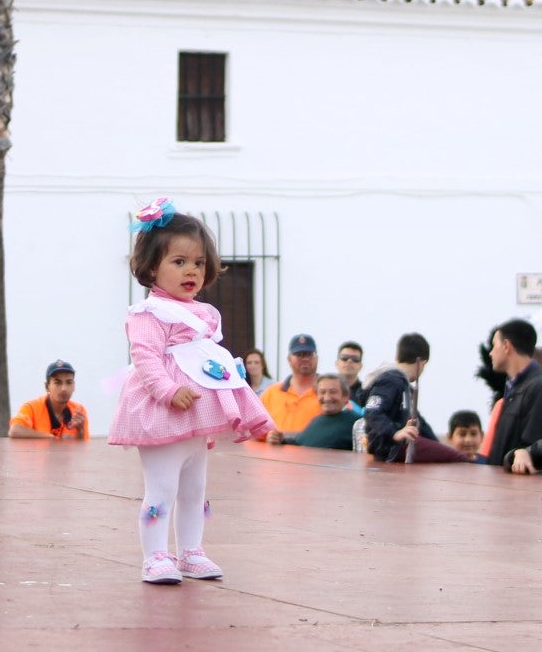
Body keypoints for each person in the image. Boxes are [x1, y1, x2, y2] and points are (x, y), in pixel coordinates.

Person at [107, 197, 274, 584]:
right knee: (162, 486)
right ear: (151, 267)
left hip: (196, 416)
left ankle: (192, 551)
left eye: (198, 263)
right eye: (178, 262)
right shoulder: (149, 313)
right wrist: (167, 391)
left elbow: (202, 360)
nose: (191, 271)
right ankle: (155, 555)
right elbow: (146, 357)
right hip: (161, 413)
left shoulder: (204, 314)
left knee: (195, 489)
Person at [361, 333, 469, 463]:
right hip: (392, 446)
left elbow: (419, 423)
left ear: (397, 357)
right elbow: (372, 412)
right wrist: (394, 433)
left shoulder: (403, 386)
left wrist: (438, 446)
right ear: (422, 363)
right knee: (460, 459)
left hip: (395, 446)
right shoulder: (391, 381)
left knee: (447, 455)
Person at [485, 319, 542, 466]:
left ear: (506, 346)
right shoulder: (514, 389)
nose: (491, 353)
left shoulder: (539, 389)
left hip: (521, 486)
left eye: (494, 345)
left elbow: (538, 448)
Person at [266, 374, 359, 449]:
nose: (327, 398)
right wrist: (279, 439)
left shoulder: (356, 423)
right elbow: (301, 442)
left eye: (333, 392)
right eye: (322, 392)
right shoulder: (316, 421)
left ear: (346, 396)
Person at [260, 334, 322, 443]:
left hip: (317, 457)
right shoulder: (271, 393)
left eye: (309, 354)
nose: (305, 359)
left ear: (316, 358)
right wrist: (269, 437)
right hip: (278, 458)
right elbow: (254, 435)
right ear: (289, 359)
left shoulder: (329, 394)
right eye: (299, 355)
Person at [8, 360, 89, 440]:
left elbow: (84, 449)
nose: (64, 388)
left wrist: (81, 432)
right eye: (58, 383)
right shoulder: (31, 407)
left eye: (69, 382)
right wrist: (51, 438)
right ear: (47, 387)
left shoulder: (79, 410)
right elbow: (15, 430)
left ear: (74, 386)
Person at [335, 341, 367, 411]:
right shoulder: (324, 391)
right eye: (344, 358)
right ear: (337, 363)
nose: (349, 361)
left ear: (361, 366)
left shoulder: (367, 393)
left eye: (355, 359)